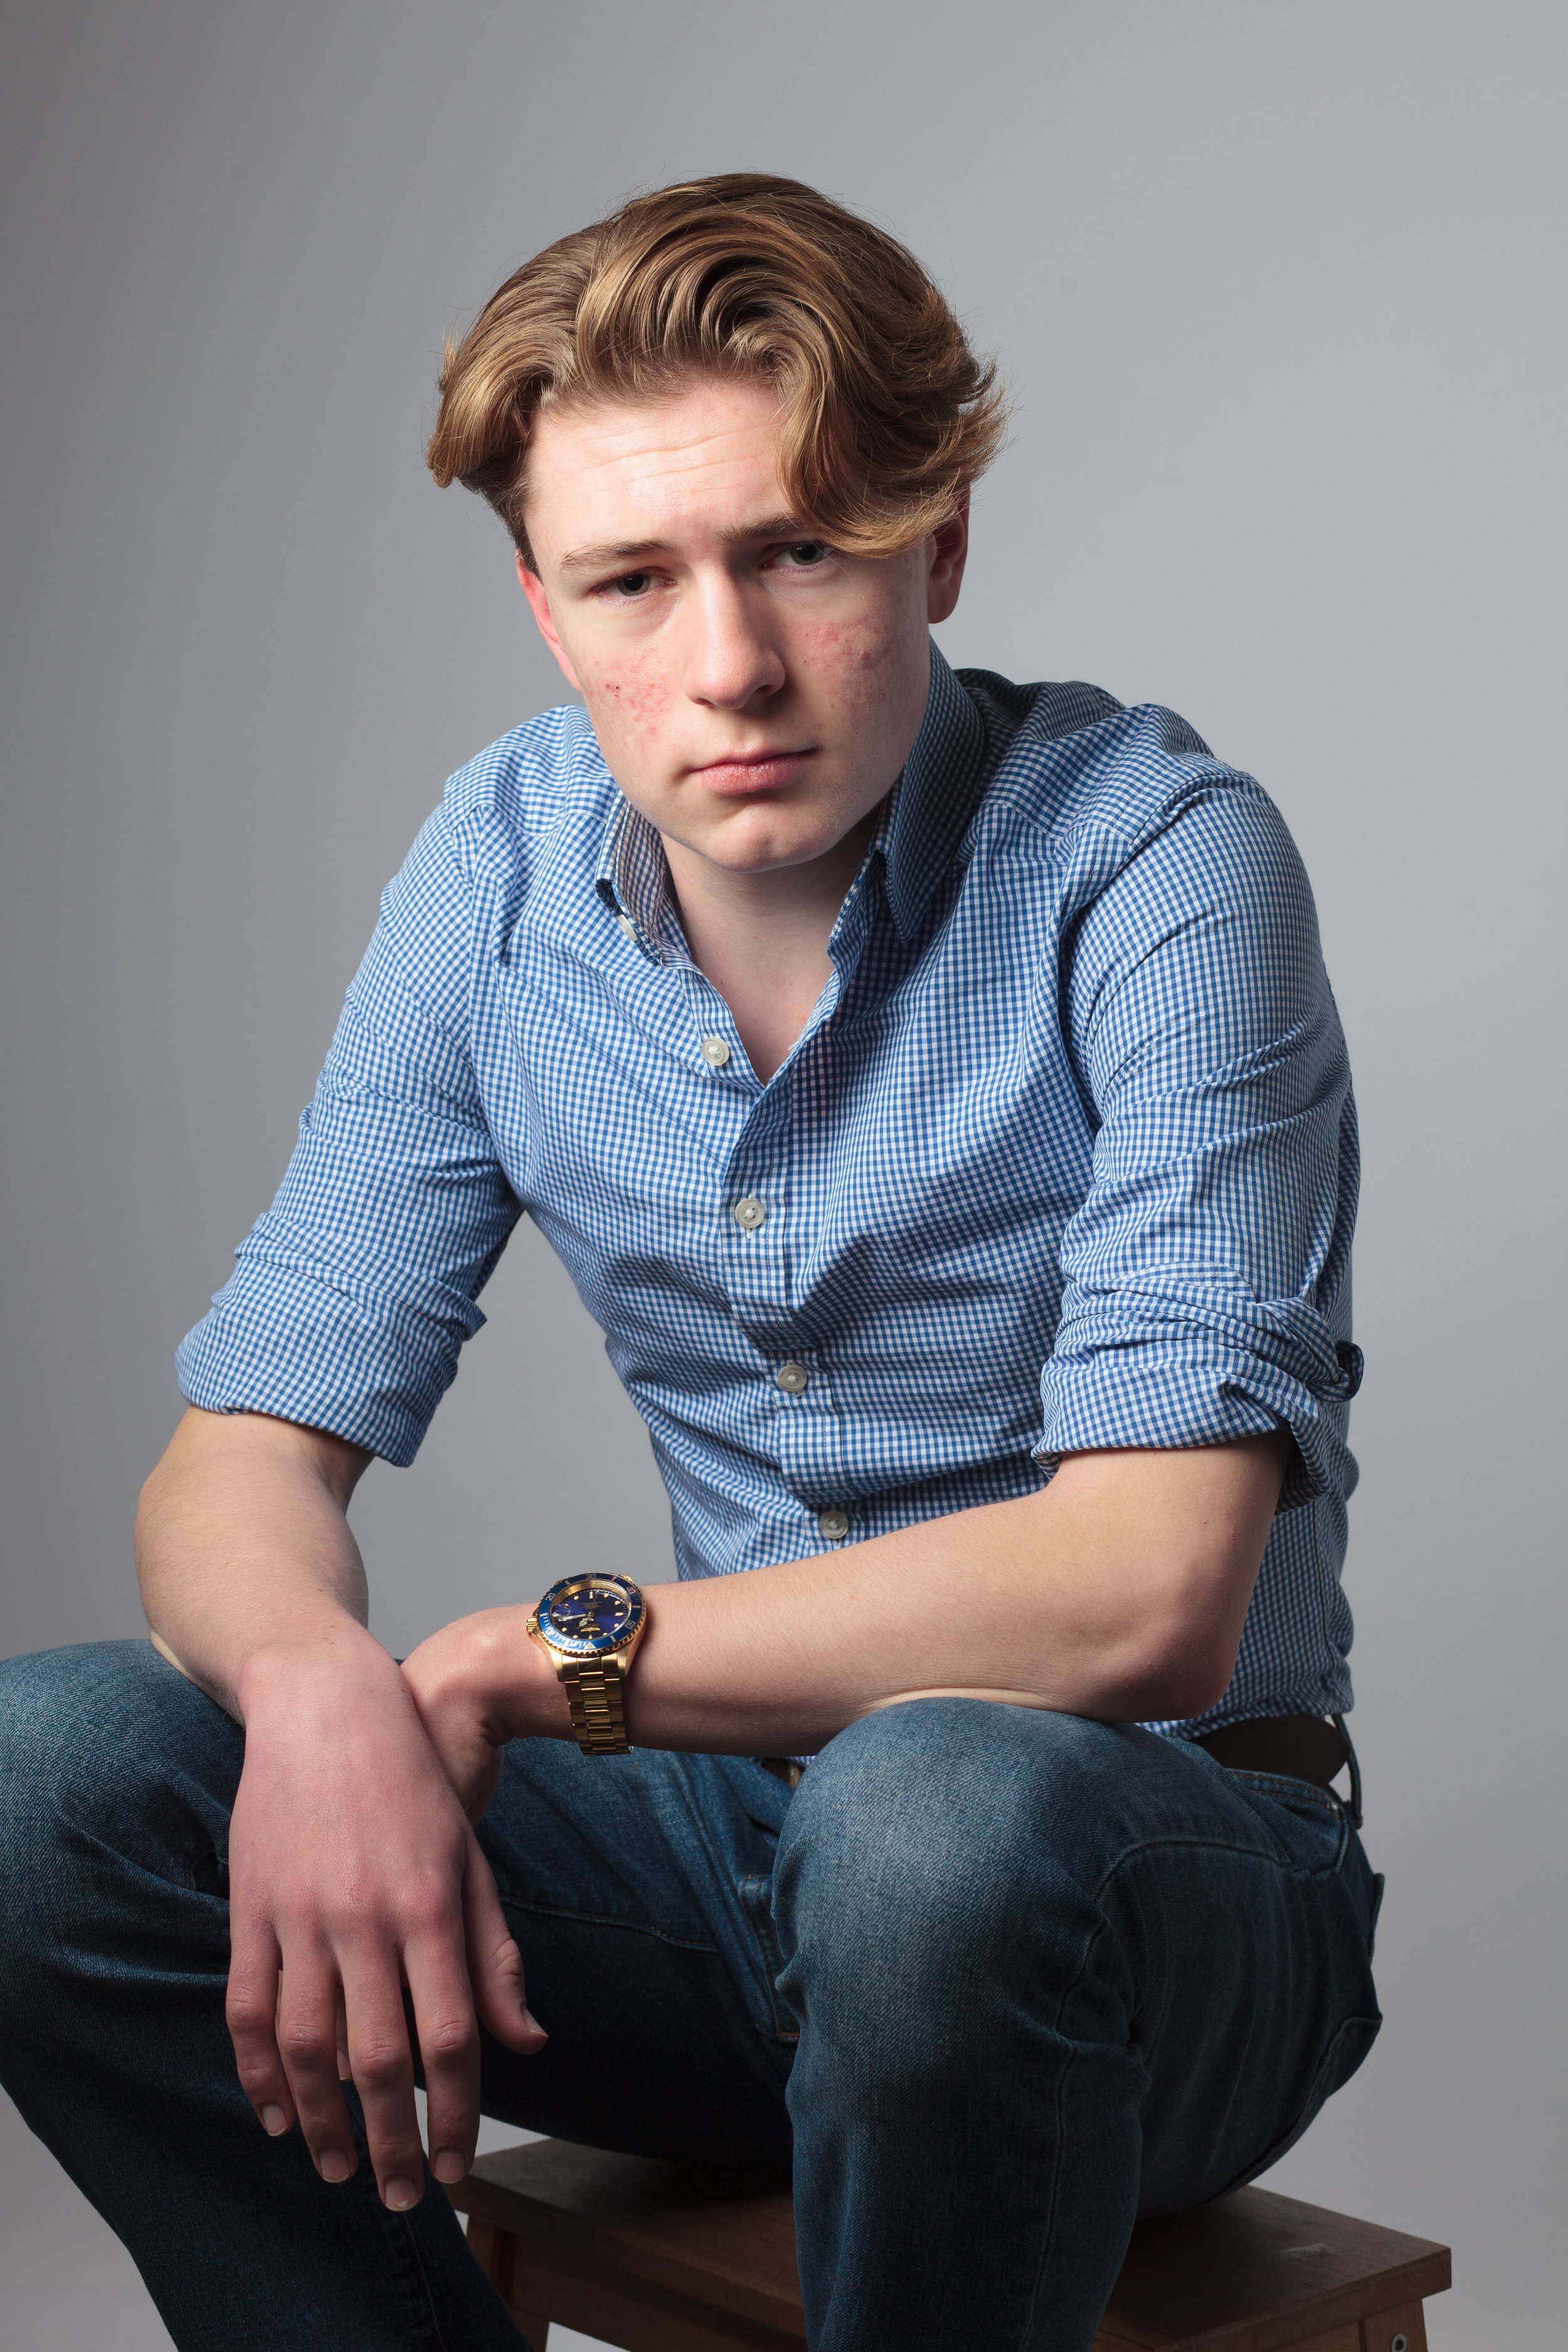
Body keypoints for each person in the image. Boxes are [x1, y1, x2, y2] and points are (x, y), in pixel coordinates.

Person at [0, 174, 1382, 2352]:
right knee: (47, 1783)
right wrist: (317, 1695)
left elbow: (1141, 1585)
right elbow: (237, 1458)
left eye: (798, 553)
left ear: (936, 544)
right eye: (631, 582)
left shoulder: (1154, 862)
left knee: (933, 1816)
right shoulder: (500, 867)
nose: (723, 663)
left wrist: (505, 1664)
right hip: (721, 1874)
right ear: (548, 615)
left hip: (1145, 1896)